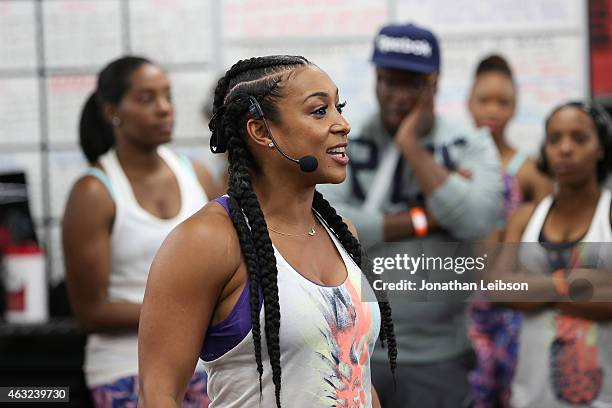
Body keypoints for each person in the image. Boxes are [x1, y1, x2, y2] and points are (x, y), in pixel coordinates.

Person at [137, 55, 397, 408]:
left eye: (340, 107)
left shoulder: (343, 234)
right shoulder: (209, 240)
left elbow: (359, 379)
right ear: (261, 131)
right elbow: (158, 395)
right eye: (320, 111)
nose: (343, 124)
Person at [319, 23, 503, 407]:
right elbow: (329, 223)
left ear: (433, 84)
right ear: (376, 79)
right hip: (357, 349)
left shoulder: (468, 142)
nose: (397, 96)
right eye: (389, 82)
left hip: (437, 355)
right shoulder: (346, 140)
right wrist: (426, 219)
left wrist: (411, 147)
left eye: (411, 84)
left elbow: (479, 218)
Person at [62, 56, 219, 407]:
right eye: (147, 99)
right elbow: (90, 312)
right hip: (125, 368)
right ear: (111, 111)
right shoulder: (94, 191)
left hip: (205, 365)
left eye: (168, 96)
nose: (164, 109)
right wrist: (186, 309)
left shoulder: (196, 175)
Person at [499, 101, 612, 407]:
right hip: (532, 394)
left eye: (579, 138)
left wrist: (534, 287)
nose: (565, 148)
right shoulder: (526, 217)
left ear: (601, 148)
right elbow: (499, 288)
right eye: (554, 139)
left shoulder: (608, 214)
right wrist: (574, 284)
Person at [466, 54, 552, 408]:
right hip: (466, 303)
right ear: (469, 103)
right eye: (484, 100)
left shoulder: (527, 169)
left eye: (503, 102)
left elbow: (553, 232)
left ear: (515, 107)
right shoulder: (457, 163)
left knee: (513, 391)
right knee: (475, 392)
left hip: (513, 305)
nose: (493, 110)